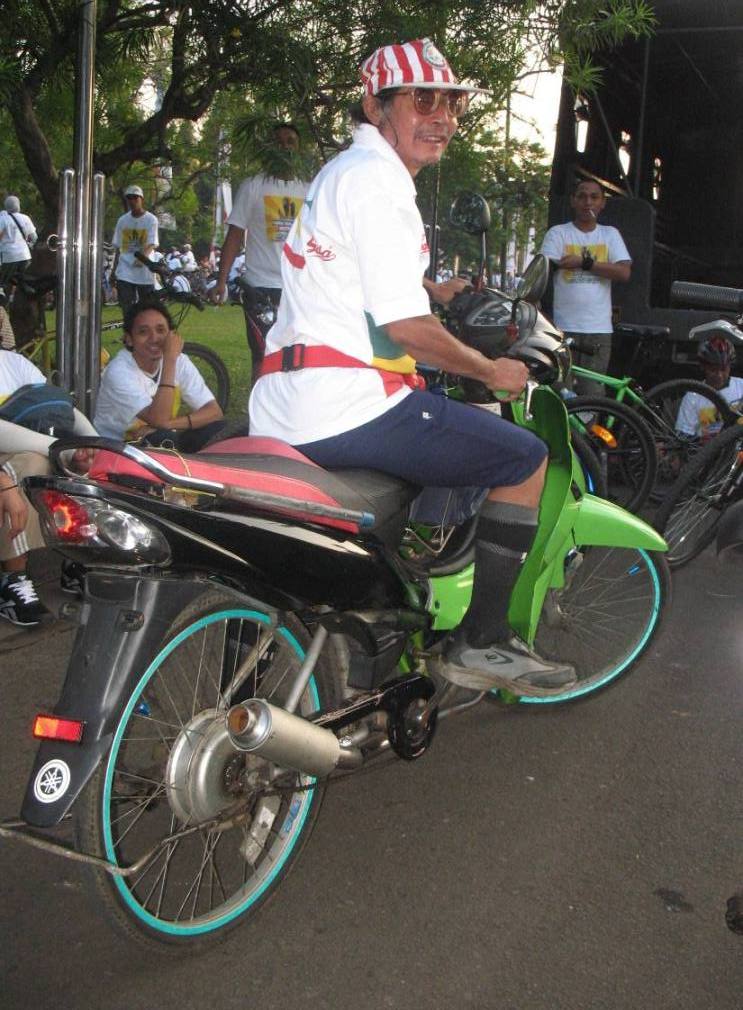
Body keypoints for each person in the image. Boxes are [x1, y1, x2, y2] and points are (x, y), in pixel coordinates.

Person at [248, 38, 576, 696]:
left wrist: (434, 289)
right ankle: (480, 642)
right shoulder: (380, 182)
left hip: (285, 401)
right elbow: (406, 333)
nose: (442, 116)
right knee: (523, 458)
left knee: (433, 434)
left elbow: (357, 275)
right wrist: (491, 370)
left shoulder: (346, 172)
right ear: (376, 105)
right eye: (421, 100)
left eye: (450, 103)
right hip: (347, 406)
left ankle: (386, 618)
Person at [0, 350, 96, 625]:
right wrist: (60, 450)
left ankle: (76, 559)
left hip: (31, 448)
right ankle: (13, 579)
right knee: (32, 465)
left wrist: (92, 444)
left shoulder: (15, 363)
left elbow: (59, 406)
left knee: (80, 463)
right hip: (18, 459)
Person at [213, 122, 310, 378]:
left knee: (299, 358)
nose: (285, 147)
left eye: (291, 142)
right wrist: (221, 281)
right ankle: (259, 417)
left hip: (299, 288)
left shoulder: (310, 190)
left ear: (299, 150)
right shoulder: (253, 186)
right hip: (260, 287)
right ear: (269, 149)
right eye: (279, 142)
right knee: (263, 357)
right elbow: (234, 236)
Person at [93, 299, 225, 451]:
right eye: (143, 332)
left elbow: (214, 412)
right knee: (164, 439)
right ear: (129, 339)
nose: (154, 338)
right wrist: (169, 361)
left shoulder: (179, 360)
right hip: (117, 449)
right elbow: (158, 419)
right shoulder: (118, 371)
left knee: (221, 430)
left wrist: (169, 425)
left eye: (161, 330)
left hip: (159, 438)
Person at [540, 179, 631, 396]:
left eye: (594, 197)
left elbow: (624, 272)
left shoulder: (610, 234)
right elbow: (543, 269)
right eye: (581, 196)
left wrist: (584, 262)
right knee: (561, 394)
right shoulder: (558, 233)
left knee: (592, 396)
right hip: (563, 328)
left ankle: (589, 432)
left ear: (602, 203)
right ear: (573, 201)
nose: (587, 202)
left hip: (598, 331)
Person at [676, 334, 743, 438]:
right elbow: (683, 436)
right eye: (713, 370)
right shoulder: (692, 397)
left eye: (723, 369)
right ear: (703, 367)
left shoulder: (741, 386)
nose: (719, 375)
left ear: (730, 366)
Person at [111, 185, 159, 313]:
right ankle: (129, 331)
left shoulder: (151, 220)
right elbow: (118, 247)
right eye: (129, 198)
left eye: (135, 198)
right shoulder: (122, 221)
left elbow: (151, 243)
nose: (132, 201)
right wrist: (113, 271)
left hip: (144, 270)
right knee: (127, 309)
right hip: (125, 270)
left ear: (141, 199)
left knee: (147, 309)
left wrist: (142, 259)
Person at [0, 195, 37, 290]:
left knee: (2, 282)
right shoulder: (26, 218)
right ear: (18, 205)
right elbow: (34, 238)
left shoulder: (3, 219)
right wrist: (30, 245)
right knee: (22, 279)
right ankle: (26, 290)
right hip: (25, 257)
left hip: (9, 257)